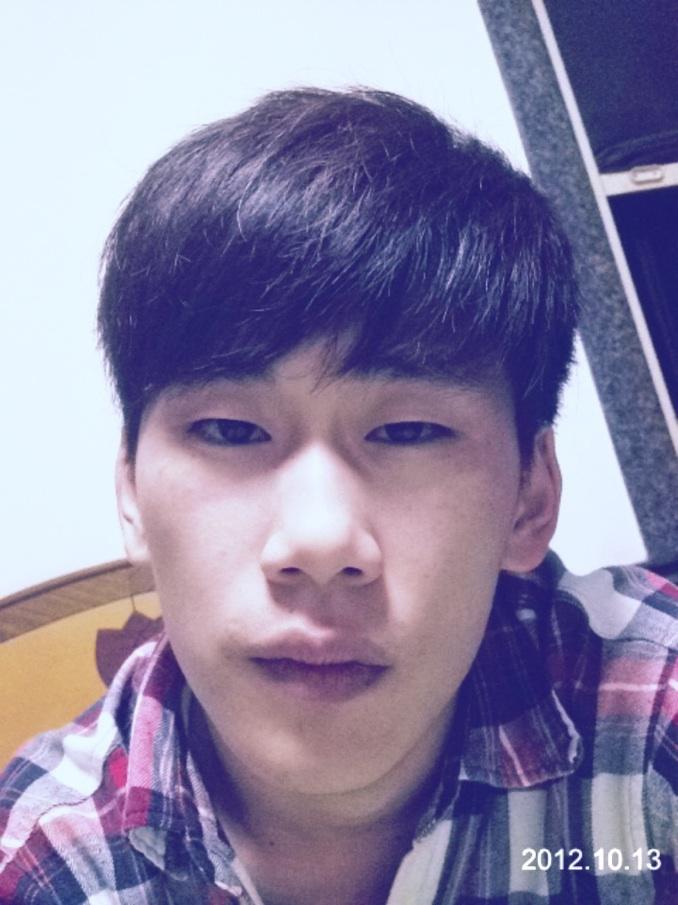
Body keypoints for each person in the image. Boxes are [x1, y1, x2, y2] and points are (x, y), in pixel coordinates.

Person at [0, 87, 675, 905]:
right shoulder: (43, 863)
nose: (319, 541)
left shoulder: (650, 726)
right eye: (230, 429)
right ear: (132, 492)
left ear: (529, 496)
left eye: (409, 430)